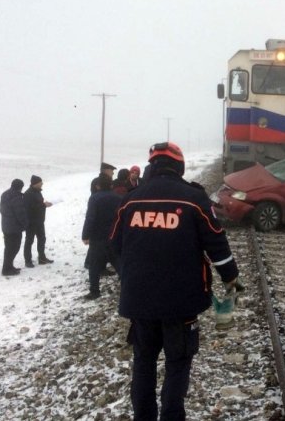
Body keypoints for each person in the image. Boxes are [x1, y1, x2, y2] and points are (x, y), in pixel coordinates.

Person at [110, 142, 239, 421]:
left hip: (139, 301)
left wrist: (134, 273)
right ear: (179, 166)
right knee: (177, 364)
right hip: (181, 303)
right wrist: (230, 277)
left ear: (152, 166)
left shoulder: (130, 200)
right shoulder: (194, 198)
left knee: (143, 363)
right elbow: (216, 242)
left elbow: (115, 245)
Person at [81, 175, 122, 300]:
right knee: (117, 261)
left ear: (98, 186)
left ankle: (95, 291)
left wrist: (85, 234)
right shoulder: (118, 198)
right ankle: (129, 286)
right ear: (111, 185)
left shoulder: (94, 198)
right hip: (113, 235)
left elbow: (90, 218)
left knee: (94, 265)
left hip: (97, 236)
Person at [23, 175, 53, 267]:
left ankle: (42, 258)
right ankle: (28, 261)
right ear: (35, 183)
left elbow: (38, 204)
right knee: (29, 241)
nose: (42, 183)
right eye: (40, 182)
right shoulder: (28, 194)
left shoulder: (38, 192)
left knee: (42, 239)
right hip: (31, 222)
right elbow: (30, 208)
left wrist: (44, 204)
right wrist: (44, 205)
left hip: (40, 221)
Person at [0, 179, 27, 276]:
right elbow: (19, 213)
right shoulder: (16, 196)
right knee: (14, 248)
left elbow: (3, 210)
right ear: (20, 187)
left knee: (8, 248)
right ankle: (6, 269)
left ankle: (9, 267)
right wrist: (25, 224)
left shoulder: (4, 194)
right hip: (14, 227)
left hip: (6, 225)